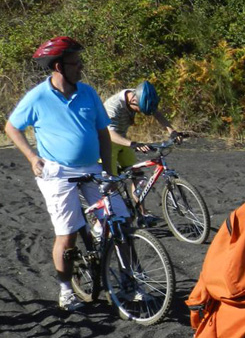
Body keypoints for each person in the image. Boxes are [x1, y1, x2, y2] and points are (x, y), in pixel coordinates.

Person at [4, 36, 129, 312]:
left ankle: (128, 279)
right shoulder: (37, 97)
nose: (81, 67)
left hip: (92, 168)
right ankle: (66, 290)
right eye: (76, 63)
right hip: (57, 173)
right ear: (59, 66)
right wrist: (32, 157)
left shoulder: (88, 93)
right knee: (67, 234)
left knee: (120, 220)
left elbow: (102, 133)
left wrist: (109, 172)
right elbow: (12, 127)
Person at [103, 81, 182, 225]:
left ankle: (142, 215)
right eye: (139, 109)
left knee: (138, 177)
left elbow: (155, 112)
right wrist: (133, 144)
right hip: (106, 142)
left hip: (123, 140)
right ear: (133, 100)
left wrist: (172, 131)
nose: (139, 113)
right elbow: (109, 133)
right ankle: (105, 221)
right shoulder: (113, 106)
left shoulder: (140, 94)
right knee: (111, 183)